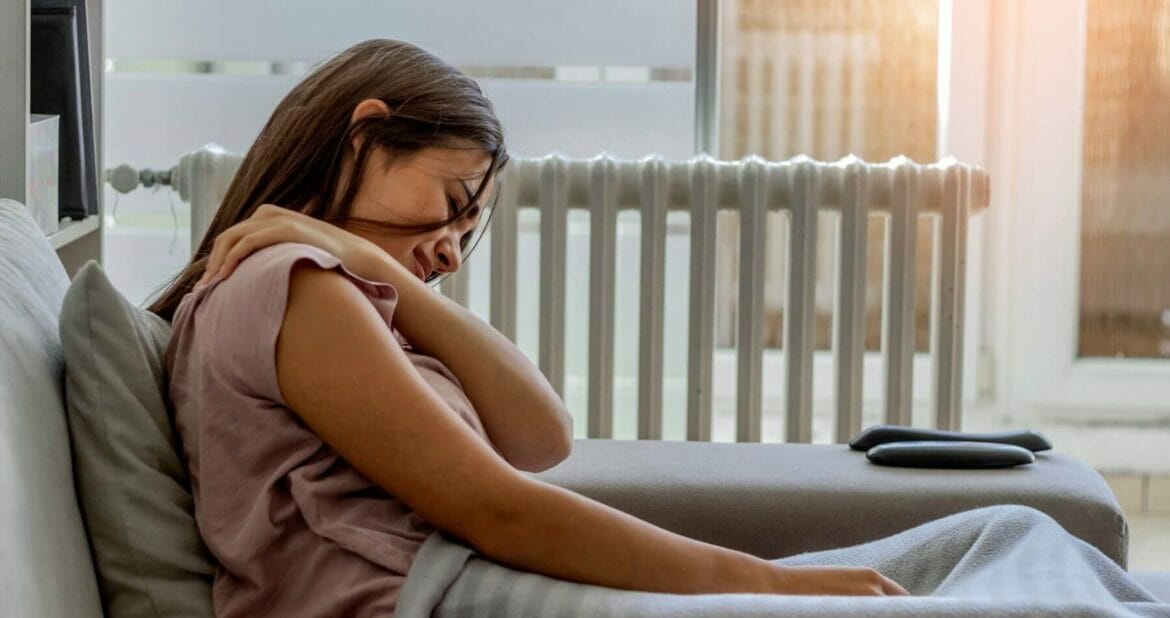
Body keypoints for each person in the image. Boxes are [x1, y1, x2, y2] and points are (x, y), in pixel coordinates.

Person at [152, 39, 1156, 618]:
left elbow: (541, 435)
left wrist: (391, 273)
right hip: (442, 599)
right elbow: (504, 511)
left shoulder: (340, 285)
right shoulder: (287, 287)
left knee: (1011, 532)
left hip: (481, 582)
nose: (454, 247)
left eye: (470, 225)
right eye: (452, 200)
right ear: (365, 132)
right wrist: (763, 585)